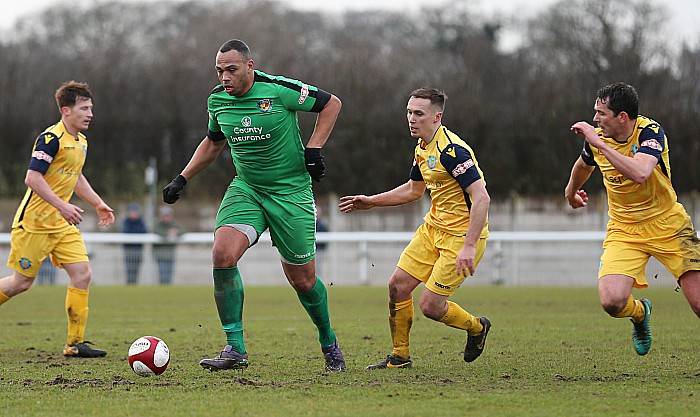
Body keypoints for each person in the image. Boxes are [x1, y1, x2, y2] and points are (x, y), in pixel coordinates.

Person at [162, 39, 345, 372]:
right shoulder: (217, 101)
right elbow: (213, 143)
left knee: (303, 281)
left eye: (231, 70)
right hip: (247, 189)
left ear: (249, 66)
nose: (224, 77)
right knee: (222, 254)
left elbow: (331, 104)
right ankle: (235, 348)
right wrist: (182, 178)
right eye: (219, 71)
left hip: (291, 193)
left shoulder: (278, 89)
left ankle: (328, 339)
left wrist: (314, 148)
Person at [339, 87, 492, 369]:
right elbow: (413, 190)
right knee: (397, 286)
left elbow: (481, 197)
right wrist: (372, 201)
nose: (411, 118)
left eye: (418, 113)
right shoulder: (422, 146)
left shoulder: (452, 151)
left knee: (430, 307)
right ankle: (400, 356)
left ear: (437, 117)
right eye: (409, 112)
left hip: (460, 236)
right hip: (433, 230)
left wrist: (469, 245)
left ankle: (477, 328)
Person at [565, 82, 700, 356]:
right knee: (612, 301)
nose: (595, 119)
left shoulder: (650, 132)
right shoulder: (599, 140)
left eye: (601, 113)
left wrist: (598, 143)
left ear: (622, 117)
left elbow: (640, 172)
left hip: (668, 225)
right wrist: (570, 193)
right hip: (624, 229)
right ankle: (640, 313)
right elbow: (584, 164)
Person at [0, 81, 114, 358]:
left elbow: (75, 177)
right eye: (84, 108)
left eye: (91, 109)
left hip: (62, 225)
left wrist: (98, 203)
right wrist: (63, 205)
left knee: (82, 274)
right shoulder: (51, 139)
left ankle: (75, 343)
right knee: (20, 284)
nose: (90, 114)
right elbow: (32, 177)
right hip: (35, 224)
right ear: (66, 110)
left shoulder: (81, 141)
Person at [152, 206, 186, 285]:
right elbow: (155, 231)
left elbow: (183, 230)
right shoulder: (157, 224)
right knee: (163, 275)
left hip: (170, 255)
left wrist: (176, 232)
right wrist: (167, 233)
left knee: (169, 275)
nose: (166, 217)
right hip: (160, 255)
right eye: (165, 215)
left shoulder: (175, 224)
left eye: (168, 215)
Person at [121, 203, 147, 285]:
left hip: (138, 249)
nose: (133, 213)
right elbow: (126, 231)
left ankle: (134, 283)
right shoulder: (126, 221)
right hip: (128, 250)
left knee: (136, 268)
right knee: (129, 268)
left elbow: (143, 231)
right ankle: (130, 283)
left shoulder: (141, 221)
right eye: (131, 211)